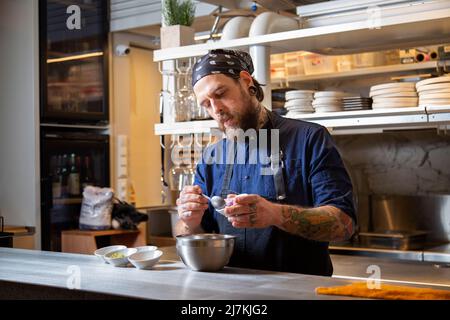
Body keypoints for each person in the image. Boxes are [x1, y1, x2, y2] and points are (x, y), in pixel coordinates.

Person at [174, 49, 356, 276]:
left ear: (246, 81)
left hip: (298, 292)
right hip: (228, 293)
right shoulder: (211, 158)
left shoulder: (309, 139)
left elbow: (344, 224)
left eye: (220, 93)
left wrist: (275, 214)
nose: (216, 109)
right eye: (206, 104)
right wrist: (189, 222)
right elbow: (195, 232)